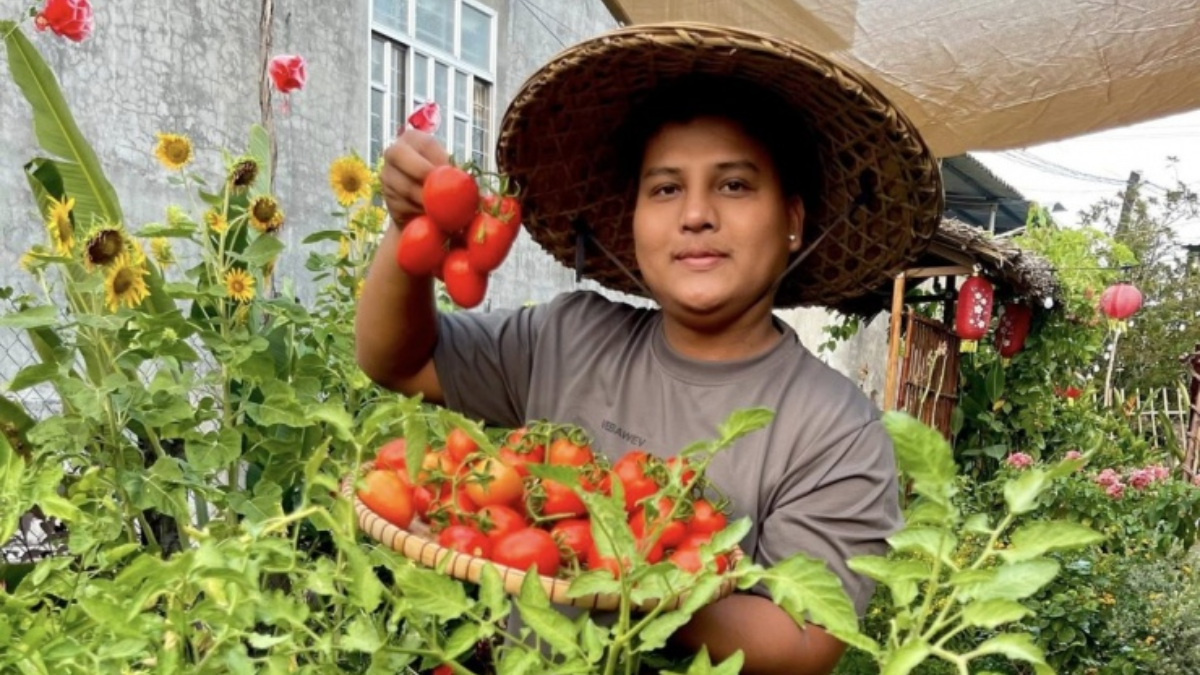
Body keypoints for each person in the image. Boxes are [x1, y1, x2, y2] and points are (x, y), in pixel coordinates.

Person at [356, 22, 943, 675]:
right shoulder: (567, 337)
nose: (695, 214)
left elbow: (804, 636)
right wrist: (413, 230)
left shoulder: (834, 428)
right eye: (665, 188)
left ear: (793, 220)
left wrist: (618, 572)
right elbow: (398, 358)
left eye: (734, 184)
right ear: (633, 218)